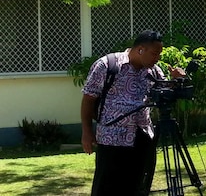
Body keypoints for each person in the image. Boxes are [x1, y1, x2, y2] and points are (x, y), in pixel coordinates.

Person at [80, 29, 186, 196]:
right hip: (112, 139)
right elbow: (88, 99)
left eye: (159, 54)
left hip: (142, 138)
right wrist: (86, 132)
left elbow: (164, 92)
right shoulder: (107, 65)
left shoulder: (153, 70)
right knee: (106, 189)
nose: (157, 58)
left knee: (138, 189)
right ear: (141, 49)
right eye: (154, 53)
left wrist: (176, 80)